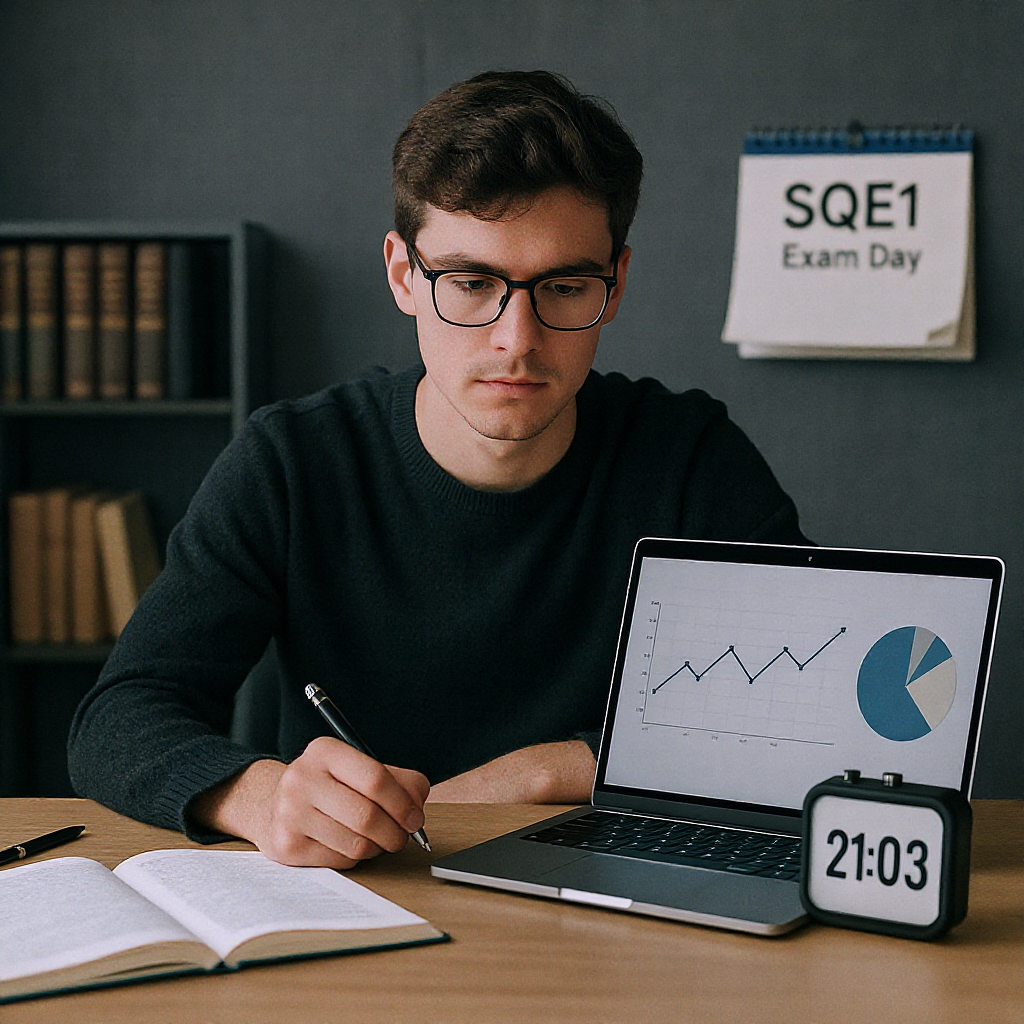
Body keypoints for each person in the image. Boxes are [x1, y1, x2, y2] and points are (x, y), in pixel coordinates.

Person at [68, 70, 806, 869]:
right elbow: (118, 719)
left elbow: (798, 717)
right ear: (401, 274)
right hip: (365, 900)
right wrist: (258, 795)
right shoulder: (292, 460)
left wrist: (544, 770)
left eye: (563, 286)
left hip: (619, 901)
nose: (515, 338)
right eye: (472, 283)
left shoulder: (693, 457)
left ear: (616, 282)